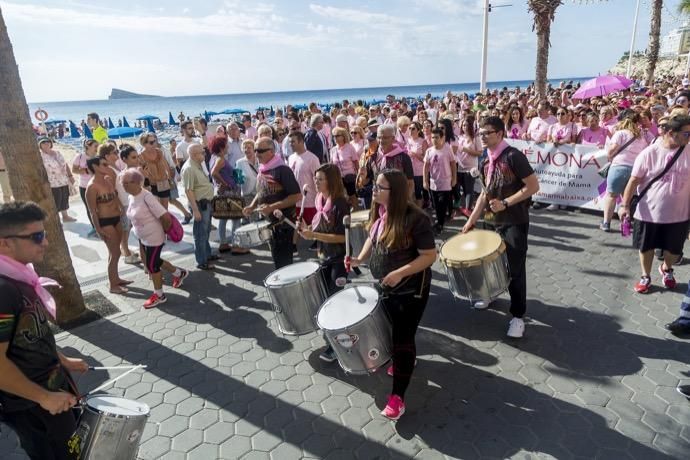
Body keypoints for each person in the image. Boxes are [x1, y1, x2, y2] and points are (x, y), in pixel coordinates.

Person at [0, 201, 90, 460]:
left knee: (75, 449)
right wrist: (44, 397)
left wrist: (63, 360)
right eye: (37, 236)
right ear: (5, 242)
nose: (46, 242)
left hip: (54, 390)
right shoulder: (3, 291)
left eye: (45, 234)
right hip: (32, 405)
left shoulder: (21, 274)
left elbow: (34, 334)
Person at [350, 169, 437, 420]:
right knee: (391, 333)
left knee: (402, 338)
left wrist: (400, 272)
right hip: (387, 288)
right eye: (375, 186)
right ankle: (404, 361)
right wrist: (359, 258)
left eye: (379, 187)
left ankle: (398, 397)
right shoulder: (380, 212)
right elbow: (372, 237)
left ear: (395, 192)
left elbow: (430, 256)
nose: (373, 190)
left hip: (412, 290)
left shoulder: (416, 218)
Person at [462, 116, 540, 338]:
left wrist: (506, 202)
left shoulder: (514, 156)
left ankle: (517, 316)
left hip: (514, 221)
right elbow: (485, 194)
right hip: (490, 221)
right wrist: (471, 220)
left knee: (515, 269)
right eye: (480, 133)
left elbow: (533, 186)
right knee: (488, 264)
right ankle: (490, 294)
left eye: (487, 133)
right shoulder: (485, 159)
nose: (482, 137)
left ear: (499, 133)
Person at [618, 114, 690, 294]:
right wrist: (625, 205)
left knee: (674, 250)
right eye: (686, 134)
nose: (688, 138)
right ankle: (645, 276)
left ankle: (666, 268)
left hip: (679, 214)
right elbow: (633, 181)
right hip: (649, 212)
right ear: (671, 132)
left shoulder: (688, 151)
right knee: (646, 246)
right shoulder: (650, 153)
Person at [297, 164, 350, 362]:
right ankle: (334, 339)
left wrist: (314, 234)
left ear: (331, 181)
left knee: (335, 302)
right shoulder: (320, 199)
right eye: (316, 179)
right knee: (326, 300)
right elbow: (318, 227)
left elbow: (341, 238)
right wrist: (307, 229)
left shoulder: (340, 204)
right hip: (323, 257)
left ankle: (338, 346)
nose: (316, 182)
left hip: (338, 259)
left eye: (320, 179)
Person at [122, 169, 188, 308]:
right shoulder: (131, 196)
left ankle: (159, 295)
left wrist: (163, 232)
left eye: (126, 183)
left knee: (152, 266)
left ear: (136, 182)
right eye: (122, 183)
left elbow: (165, 217)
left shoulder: (147, 197)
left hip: (154, 237)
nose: (123, 186)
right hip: (143, 236)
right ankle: (179, 273)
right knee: (155, 260)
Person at [242, 137, 301, 269]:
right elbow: (261, 191)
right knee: (277, 261)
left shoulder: (282, 170)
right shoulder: (264, 168)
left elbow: (297, 196)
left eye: (260, 151)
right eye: (256, 150)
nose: (256, 154)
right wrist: (252, 206)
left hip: (283, 224)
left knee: (284, 263)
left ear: (271, 151)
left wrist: (272, 207)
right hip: (270, 224)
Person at [85, 157, 131, 294]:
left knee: (116, 251)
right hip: (105, 222)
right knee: (115, 253)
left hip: (116, 218)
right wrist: (98, 229)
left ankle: (116, 279)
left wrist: (122, 208)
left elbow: (114, 195)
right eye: (104, 164)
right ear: (95, 166)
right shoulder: (92, 187)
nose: (108, 166)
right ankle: (113, 285)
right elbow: (92, 211)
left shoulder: (107, 180)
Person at [600, 110, 648, 232]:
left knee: (611, 195)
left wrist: (610, 156)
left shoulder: (620, 133)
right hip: (634, 170)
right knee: (626, 198)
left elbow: (611, 151)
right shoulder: (641, 136)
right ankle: (625, 223)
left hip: (619, 167)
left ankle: (606, 223)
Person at [182, 144, 219, 270]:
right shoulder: (189, 168)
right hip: (199, 204)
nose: (204, 154)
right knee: (200, 233)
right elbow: (188, 191)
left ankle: (206, 255)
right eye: (201, 152)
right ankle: (201, 261)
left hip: (205, 203)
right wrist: (196, 210)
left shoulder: (197, 164)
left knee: (206, 230)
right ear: (193, 154)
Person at [209, 136, 247, 255]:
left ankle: (223, 243)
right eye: (226, 145)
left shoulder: (213, 158)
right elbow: (214, 173)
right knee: (236, 219)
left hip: (222, 193)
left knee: (223, 219)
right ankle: (236, 245)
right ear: (222, 147)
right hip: (229, 192)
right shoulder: (220, 159)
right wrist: (225, 183)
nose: (228, 147)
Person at [424, 127, 457, 233]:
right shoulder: (429, 151)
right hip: (434, 183)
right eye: (432, 137)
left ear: (442, 138)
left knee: (442, 204)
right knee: (436, 205)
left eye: (437, 137)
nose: (434, 139)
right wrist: (425, 181)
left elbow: (453, 164)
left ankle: (440, 224)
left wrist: (454, 178)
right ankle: (440, 220)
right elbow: (425, 167)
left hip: (446, 182)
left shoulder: (448, 149)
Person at [288, 131, 320, 230]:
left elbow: (318, 180)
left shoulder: (312, 158)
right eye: (290, 142)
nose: (290, 144)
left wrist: (320, 199)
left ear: (301, 141)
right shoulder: (291, 158)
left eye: (293, 142)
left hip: (310, 202)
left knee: (313, 230)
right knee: (300, 230)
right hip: (297, 202)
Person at [38, 138, 75, 224]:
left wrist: (70, 175)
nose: (46, 143)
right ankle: (56, 220)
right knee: (56, 200)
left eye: (47, 142)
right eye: (43, 142)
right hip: (52, 181)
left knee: (64, 198)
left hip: (63, 179)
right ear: (40, 145)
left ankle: (65, 216)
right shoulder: (40, 156)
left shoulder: (57, 153)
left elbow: (65, 165)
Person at [116, 145, 142, 264]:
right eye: (133, 157)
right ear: (124, 159)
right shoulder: (124, 174)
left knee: (132, 229)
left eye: (137, 157)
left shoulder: (137, 171)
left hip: (134, 204)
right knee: (126, 230)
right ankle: (126, 254)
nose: (137, 159)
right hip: (127, 205)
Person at [456, 116, 482, 216]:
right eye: (463, 125)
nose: (464, 127)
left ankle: (468, 209)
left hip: (471, 167)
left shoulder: (475, 137)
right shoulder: (460, 137)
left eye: (466, 125)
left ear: (470, 126)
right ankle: (460, 206)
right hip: (460, 166)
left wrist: (466, 150)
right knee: (459, 188)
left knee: (469, 189)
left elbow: (479, 153)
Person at [72, 139, 99, 236]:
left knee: (100, 207)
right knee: (89, 208)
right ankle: (94, 228)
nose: (97, 148)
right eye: (95, 146)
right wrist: (85, 171)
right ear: (88, 146)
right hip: (84, 186)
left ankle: (101, 226)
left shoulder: (98, 157)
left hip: (98, 185)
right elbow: (74, 170)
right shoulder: (79, 157)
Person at [139, 133, 172, 209]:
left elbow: (166, 165)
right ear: (144, 144)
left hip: (163, 182)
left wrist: (170, 178)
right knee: (156, 209)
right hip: (151, 185)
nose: (154, 144)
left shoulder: (159, 152)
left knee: (165, 208)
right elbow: (142, 173)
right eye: (151, 142)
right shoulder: (141, 156)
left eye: (155, 141)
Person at [330, 127, 359, 209]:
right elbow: (332, 164)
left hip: (349, 176)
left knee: (352, 196)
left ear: (343, 136)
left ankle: (357, 212)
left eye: (337, 136)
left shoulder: (350, 147)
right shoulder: (333, 150)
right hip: (338, 178)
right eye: (334, 136)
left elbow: (356, 162)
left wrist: (358, 176)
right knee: (341, 197)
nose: (335, 138)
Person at [406, 121, 428, 208]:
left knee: (419, 193)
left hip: (419, 171)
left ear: (418, 130)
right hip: (409, 170)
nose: (411, 130)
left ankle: (420, 212)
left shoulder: (423, 141)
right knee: (411, 193)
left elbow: (425, 159)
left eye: (413, 128)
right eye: (410, 128)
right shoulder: (408, 141)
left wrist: (415, 154)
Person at [236, 139, 260, 207]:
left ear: (254, 149)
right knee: (252, 216)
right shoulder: (239, 162)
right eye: (244, 148)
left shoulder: (260, 160)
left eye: (249, 147)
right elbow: (237, 181)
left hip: (261, 193)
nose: (246, 149)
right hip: (247, 195)